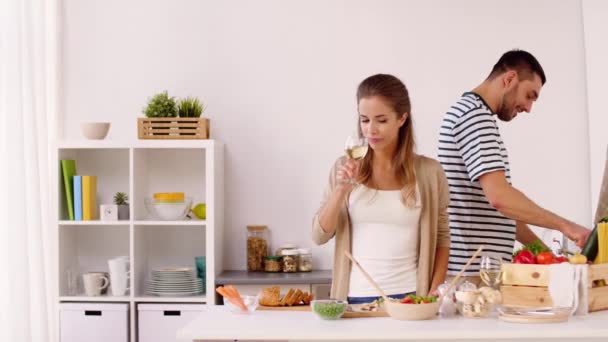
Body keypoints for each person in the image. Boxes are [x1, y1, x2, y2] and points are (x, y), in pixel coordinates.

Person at [437, 49, 590, 283]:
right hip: (472, 275)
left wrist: (543, 252)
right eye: (530, 95)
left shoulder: (475, 115)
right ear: (509, 79)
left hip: (479, 273)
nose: (529, 108)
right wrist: (565, 226)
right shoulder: (473, 117)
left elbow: (502, 211)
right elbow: (501, 198)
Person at [312, 74, 450, 304]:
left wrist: (433, 293)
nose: (371, 130)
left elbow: (442, 237)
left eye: (381, 120)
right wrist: (341, 191)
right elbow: (319, 235)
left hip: (411, 298)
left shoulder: (429, 172)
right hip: (354, 300)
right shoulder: (344, 167)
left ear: (402, 118)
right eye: (364, 120)